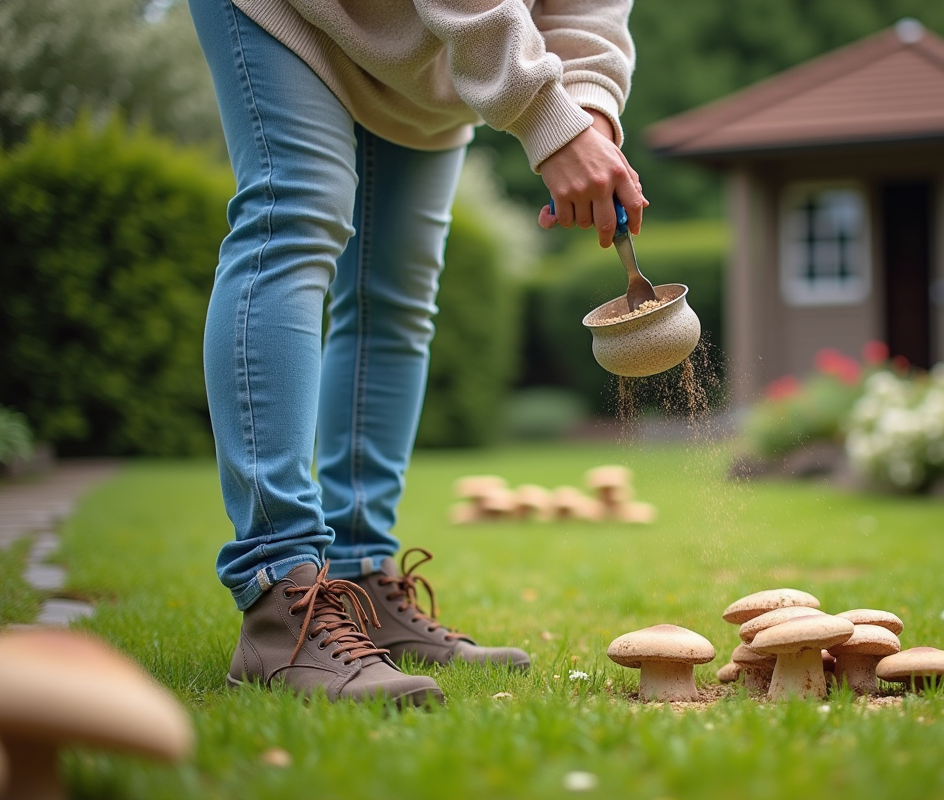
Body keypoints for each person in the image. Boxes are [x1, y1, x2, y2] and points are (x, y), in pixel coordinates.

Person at [188, 0, 645, 707]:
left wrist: (589, 114)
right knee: (297, 214)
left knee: (399, 293)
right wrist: (544, 120)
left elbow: (589, 8)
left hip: (427, 53)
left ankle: (362, 576)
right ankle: (282, 595)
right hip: (295, 12)